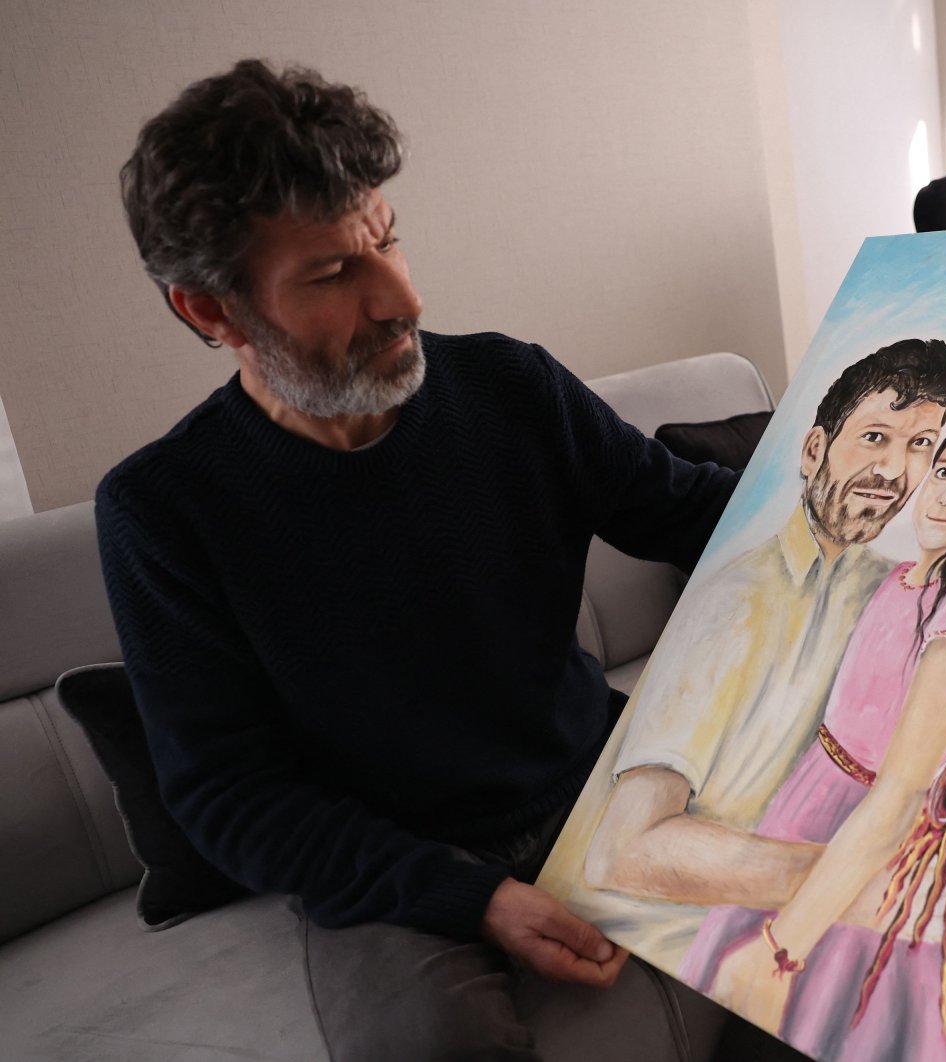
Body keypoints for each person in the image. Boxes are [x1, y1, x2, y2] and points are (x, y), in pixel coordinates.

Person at [100, 58, 741, 1061]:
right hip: (388, 859)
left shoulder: (511, 387)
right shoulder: (164, 510)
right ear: (212, 312)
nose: (403, 298)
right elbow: (227, 795)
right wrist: (469, 896)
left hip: (597, 778)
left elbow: (698, 515)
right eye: (331, 275)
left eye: (388, 240)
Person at [553, 339, 946, 972]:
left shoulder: (900, 592)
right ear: (813, 451)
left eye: (920, 445)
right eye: (875, 437)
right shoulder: (736, 602)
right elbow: (623, 850)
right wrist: (858, 882)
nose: (894, 470)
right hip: (715, 942)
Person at [679, 395, 946, 1062]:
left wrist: (780, 951)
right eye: (944, 469)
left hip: (862, 838)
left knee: (790, 1025)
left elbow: (898, 795)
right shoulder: (917, 576)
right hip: (811, 811)